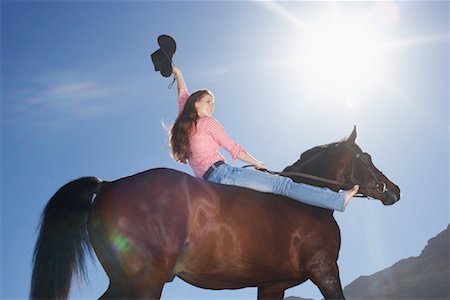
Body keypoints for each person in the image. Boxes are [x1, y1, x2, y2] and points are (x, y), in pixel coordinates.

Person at [169, 66, 359, 212]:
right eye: (208, 101)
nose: (212, 107)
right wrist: (256, 162)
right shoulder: (209, 123)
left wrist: (177, 72)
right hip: (224, 175)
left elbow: (182, 93)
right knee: (282, 185)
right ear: (196, 103)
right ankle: (337, 200)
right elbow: (233, 148)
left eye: (214, 103)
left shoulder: (183, 121)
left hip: (204, 183)